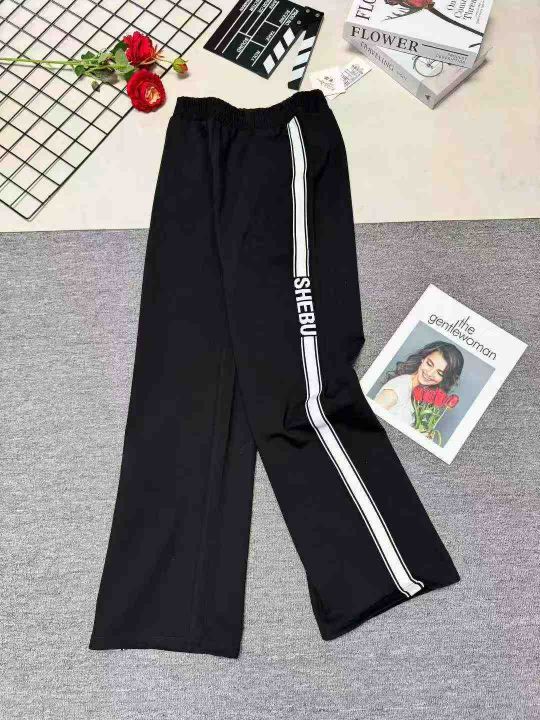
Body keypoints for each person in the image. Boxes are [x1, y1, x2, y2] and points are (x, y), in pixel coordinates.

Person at [375, 341, 464, 426]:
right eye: (429, 364)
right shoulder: (397, 389)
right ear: (423, 358)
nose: (430, 373)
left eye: (440, 373)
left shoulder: (422, 396)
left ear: (445, 379)